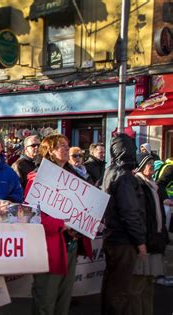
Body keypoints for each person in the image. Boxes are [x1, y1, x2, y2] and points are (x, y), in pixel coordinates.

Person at [25, 134, 92, 315]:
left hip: (69, 246)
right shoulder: (36, 179)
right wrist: (64, 224)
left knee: (63, 302)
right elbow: (33, 218)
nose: (66, 148)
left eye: (66, 144)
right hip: (49, 250)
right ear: (50, 151)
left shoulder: (73, 179)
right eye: (60, 145)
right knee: (45, 302)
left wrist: (83, 225)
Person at [101, 133, 147, 315]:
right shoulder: (125, 176)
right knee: (120, 289)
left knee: (110, 285)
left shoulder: (109, 171)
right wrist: (140, 240)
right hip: (123, 239)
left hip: (112, 236)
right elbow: (130, 212)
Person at [131, 153, 170, 315]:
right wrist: (141, 241)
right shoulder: (138, 184)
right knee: (138, 285)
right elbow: (137, 215)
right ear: (140, 166)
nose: (152, 166)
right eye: (148, 163)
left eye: (153, 163)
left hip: (154, 241)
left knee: (148, 284)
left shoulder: (153, 185)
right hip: (144, 242)